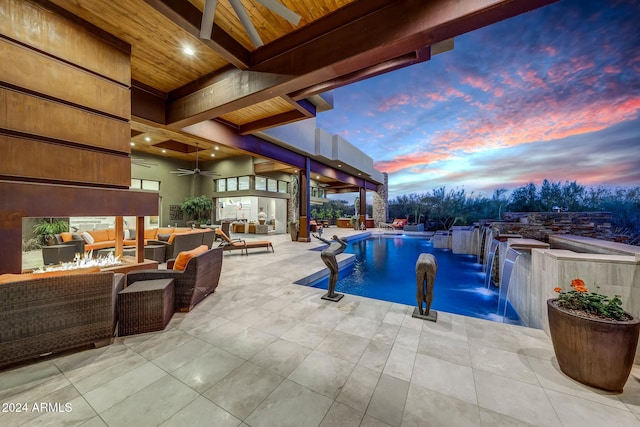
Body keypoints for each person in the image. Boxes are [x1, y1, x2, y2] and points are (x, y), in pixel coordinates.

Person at [313, 234, 348, 300]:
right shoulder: (344, 245)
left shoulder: (333, 243)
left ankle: (330, 292)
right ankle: (331, 293)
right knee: (336, 272)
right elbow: (342, 243)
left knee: (332, 272)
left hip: (323, 253)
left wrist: (317, 237)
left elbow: (325, 240)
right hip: (330, 254)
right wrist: (337, 239)